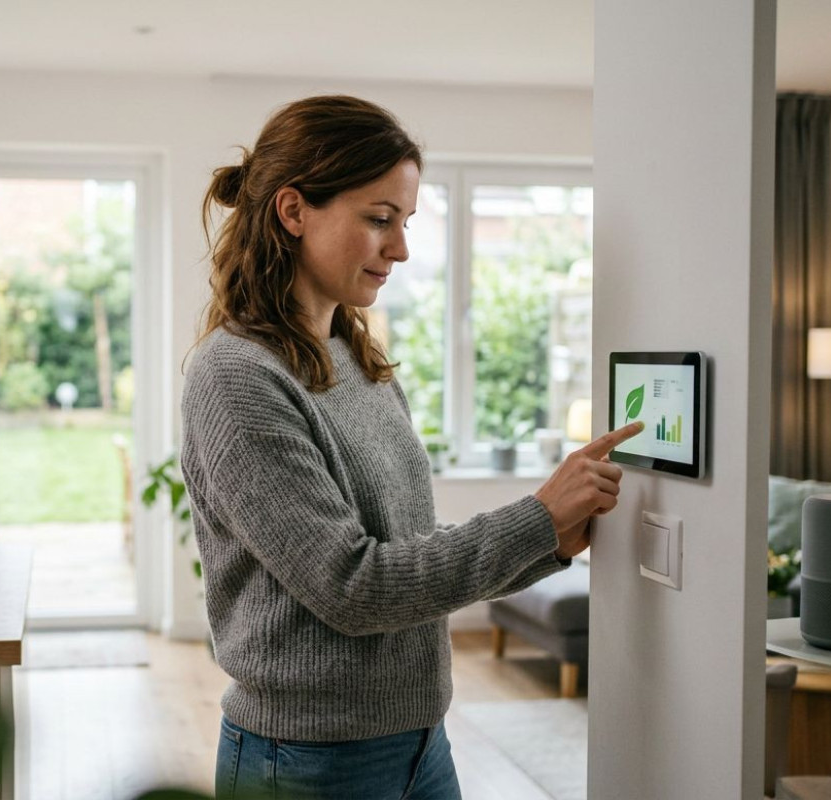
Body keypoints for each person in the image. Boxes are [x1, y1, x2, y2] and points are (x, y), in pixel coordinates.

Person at [180, 95, 642, 800]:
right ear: (293, 210)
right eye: (379, 219)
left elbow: (408, 554)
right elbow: (353, 587)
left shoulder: (354, 358)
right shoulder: (236, 375)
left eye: (406, 222)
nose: (400, 248)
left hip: (420, 743)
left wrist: (548, 541)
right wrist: (535, 517)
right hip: (306, 762)